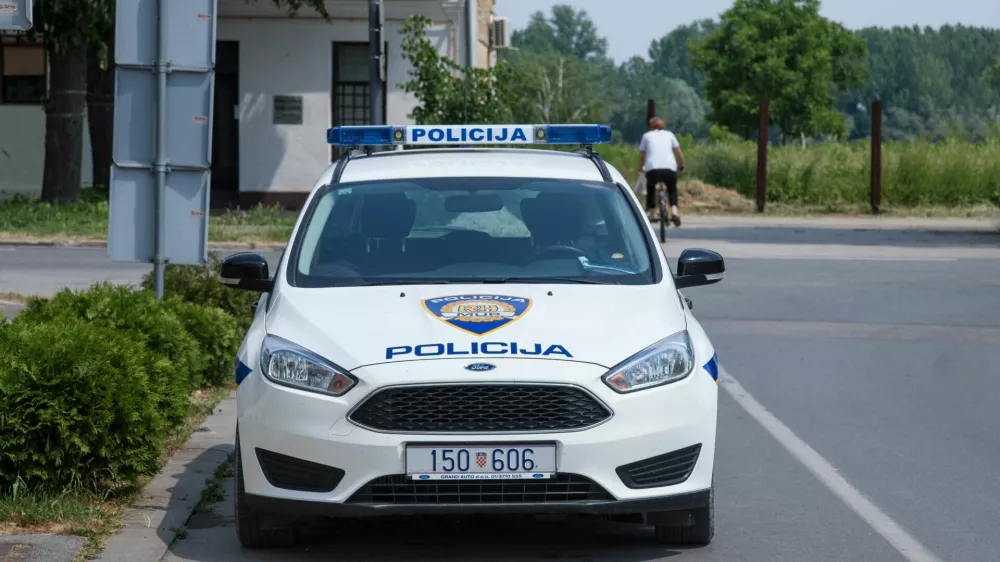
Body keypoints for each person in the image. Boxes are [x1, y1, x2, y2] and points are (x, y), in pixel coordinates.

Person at [638, 117, 685, 227]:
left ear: (650, 126)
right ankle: (674, 212)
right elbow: (679, 154)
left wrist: (640, 168)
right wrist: (682, 165)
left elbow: (641, 156)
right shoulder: (669, 135)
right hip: (669, 168)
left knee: (650, 188)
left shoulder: (646, 136)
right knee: (672, 189)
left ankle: (652, 212)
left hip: (652, 169)